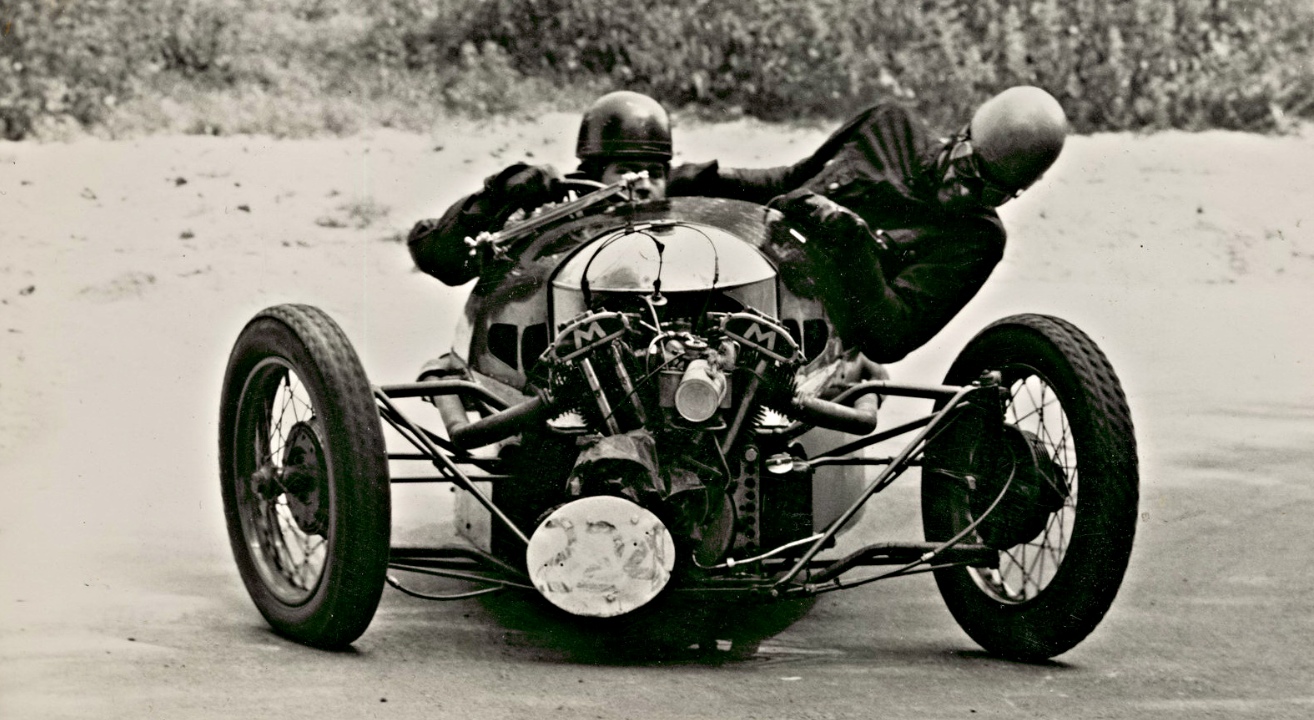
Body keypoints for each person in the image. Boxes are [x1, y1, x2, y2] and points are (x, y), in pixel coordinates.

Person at [667, 85, 1069, 365]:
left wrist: (856, 247)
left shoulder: (977, 240)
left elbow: (889, 339)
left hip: (810, 346)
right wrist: (696, 178)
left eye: (990, 192)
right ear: (962, 135)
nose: (964, 192)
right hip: (740, 274)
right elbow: (790, 179)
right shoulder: (887, 125)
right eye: (967, 169)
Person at [407, 90, 672, 286]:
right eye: (626, 171)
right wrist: (497, 194)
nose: (644, 185)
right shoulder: (554, 217)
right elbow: (435, 255)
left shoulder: (682, 213)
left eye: (656, 173)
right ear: (594, 174)